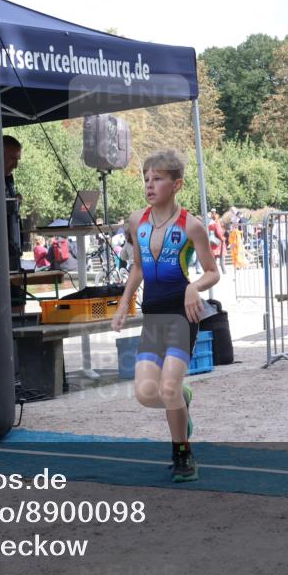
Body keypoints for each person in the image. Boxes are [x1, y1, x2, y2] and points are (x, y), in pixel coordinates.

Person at [111, 149, 220, 483]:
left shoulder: (192, 225)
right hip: (153, 318)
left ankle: (183, 455)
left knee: (169, 386)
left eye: (157, 178)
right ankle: (181, 401)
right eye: (146, 178)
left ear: (176, 184)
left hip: (181, 317)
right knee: (146, 393)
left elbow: (213, 272)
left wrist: (194, 288)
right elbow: (139, 268)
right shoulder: (136, 221)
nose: (149, 184)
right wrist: (122, 302)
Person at [3, 135, 24, 271]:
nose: (16, 165)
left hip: (12, 244)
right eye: (12, 158)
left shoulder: (9, 178)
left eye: (18, 159)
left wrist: (16, 200)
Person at [207, 209, 226, 274]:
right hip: (218, 243)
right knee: (222, 258)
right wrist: (222, 238)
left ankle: (214, 272)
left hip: (212, 242)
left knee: (214, 259)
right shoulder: (217, 223)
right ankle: (224, 271)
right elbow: (219, 232)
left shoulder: (209, 224)